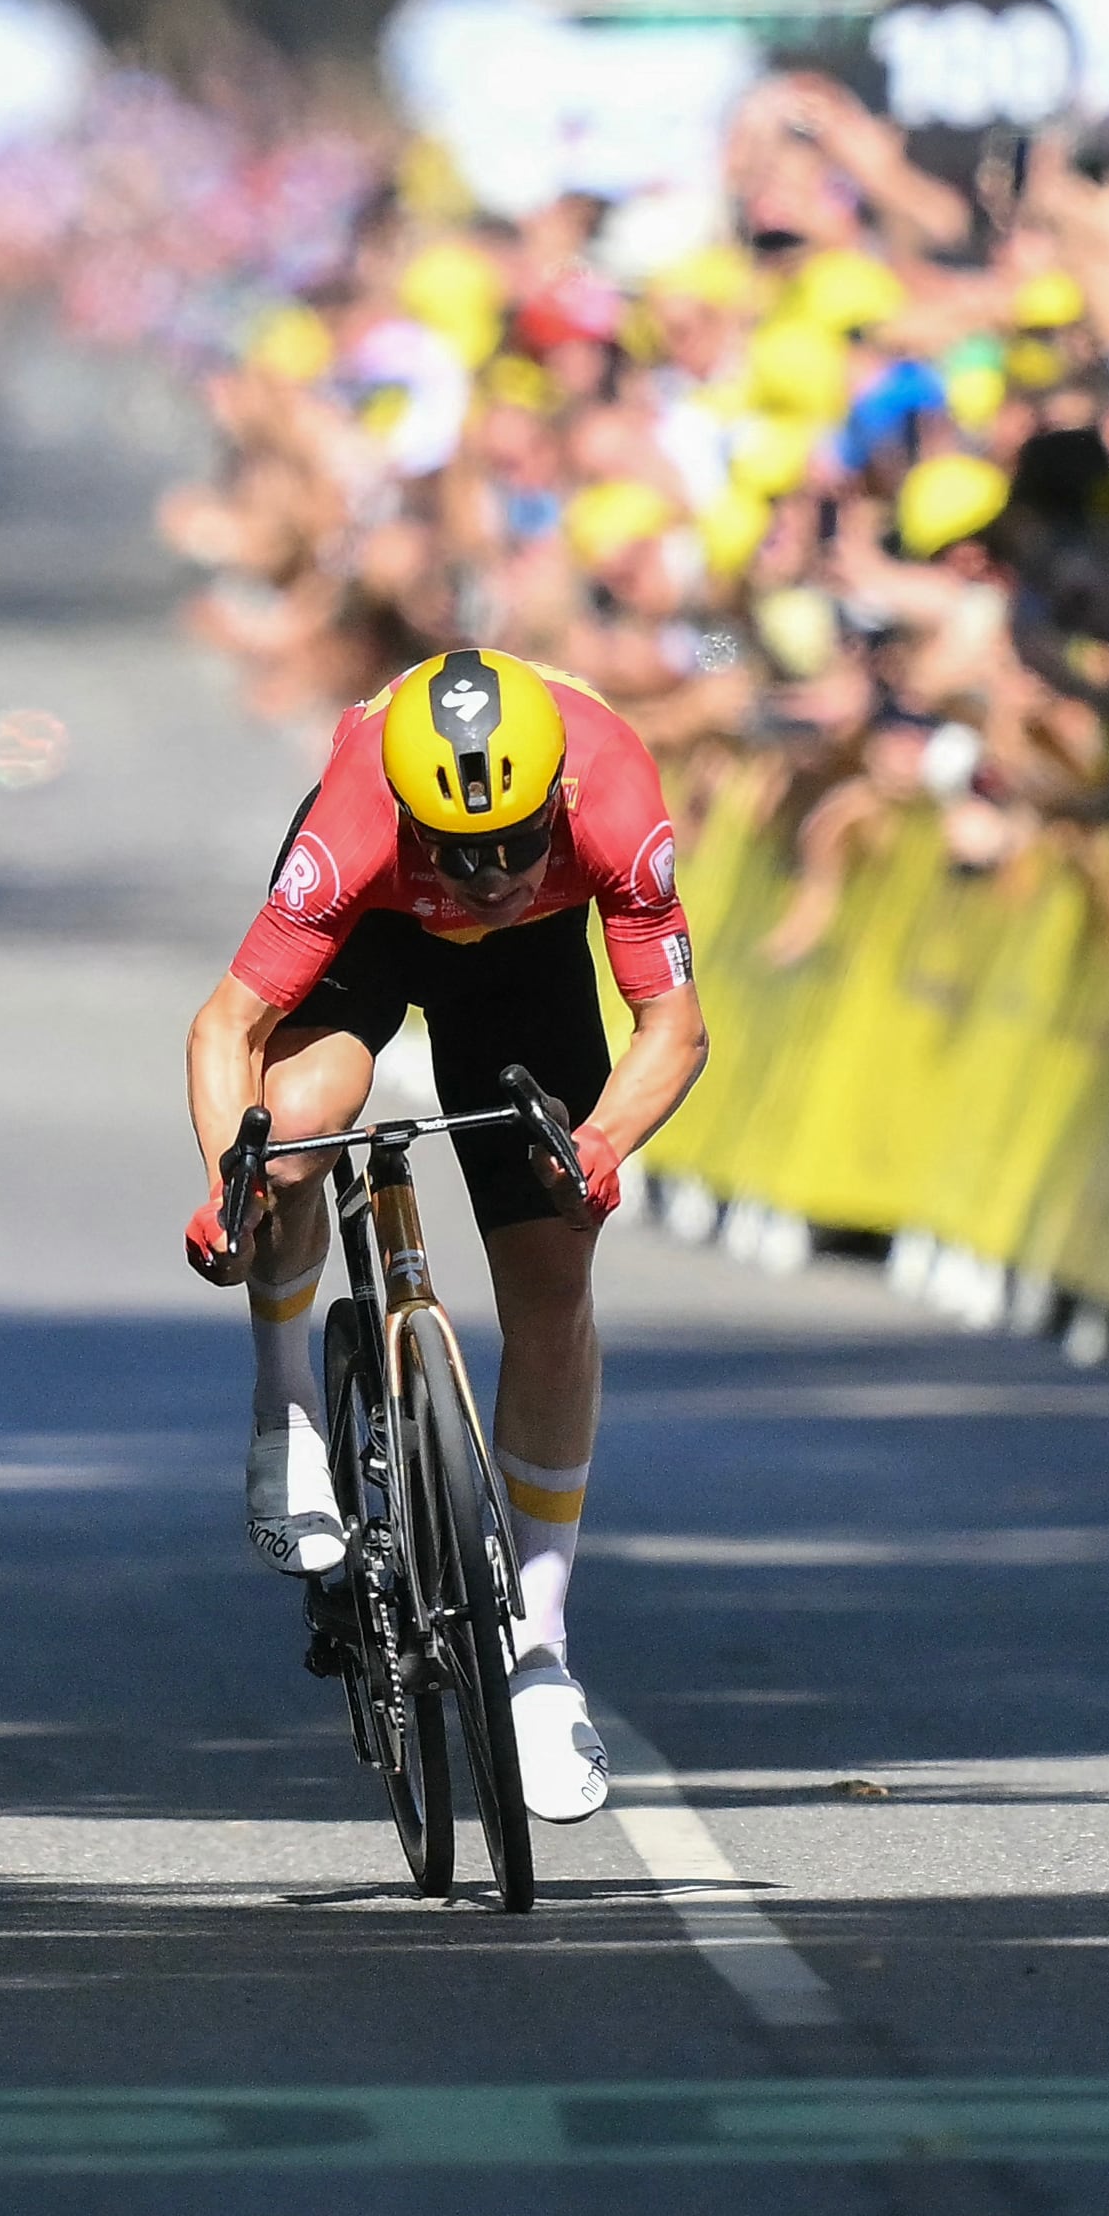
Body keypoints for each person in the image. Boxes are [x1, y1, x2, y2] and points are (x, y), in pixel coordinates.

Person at [183, 649, 709, 1827]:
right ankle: (288, 1409)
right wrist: (233, 1182)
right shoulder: (361, 816)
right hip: (368, 932)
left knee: (552, 1263)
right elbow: (227, 1027)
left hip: (530, 978)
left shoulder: (616, 796)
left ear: (558, 804)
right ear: (417, 815)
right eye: (462, 854)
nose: (490, 878)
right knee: (300, 1129)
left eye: (517, 848)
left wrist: (605, 1143)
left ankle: (540, 1650)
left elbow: (672, 1026)